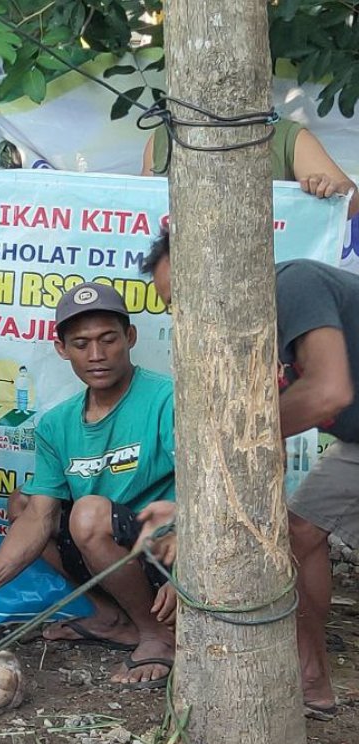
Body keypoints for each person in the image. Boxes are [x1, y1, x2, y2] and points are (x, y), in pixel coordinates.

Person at [145, 231, 359, 718]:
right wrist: (200, 516)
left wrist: (227, 445)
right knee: (297, 532)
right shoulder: (243, 340)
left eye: (186, 297)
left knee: (298, 532)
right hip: (355, 442)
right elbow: (264, 458)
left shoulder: (294, 284)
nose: (185, 315)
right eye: (174, 307)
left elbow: (328, 391)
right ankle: (312, 679)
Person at [0, 282, 178, 688]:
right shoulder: (57, 423)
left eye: (109, 340)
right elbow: (39, 517)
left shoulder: (166, 398)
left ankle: (157, 635)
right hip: (118, 554)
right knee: (24, 505)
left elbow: (208, 496)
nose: (97, 355)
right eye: (81, 343)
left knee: (88, 513)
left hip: (172, 552)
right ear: (62, 349)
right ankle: (113, 618)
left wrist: (190, 571)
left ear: (131, 338)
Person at [143, 119, 359, 220]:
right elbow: (142, 212)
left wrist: (329, 187)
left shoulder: (286, 136)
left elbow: (350, 199)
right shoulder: (164, 136)